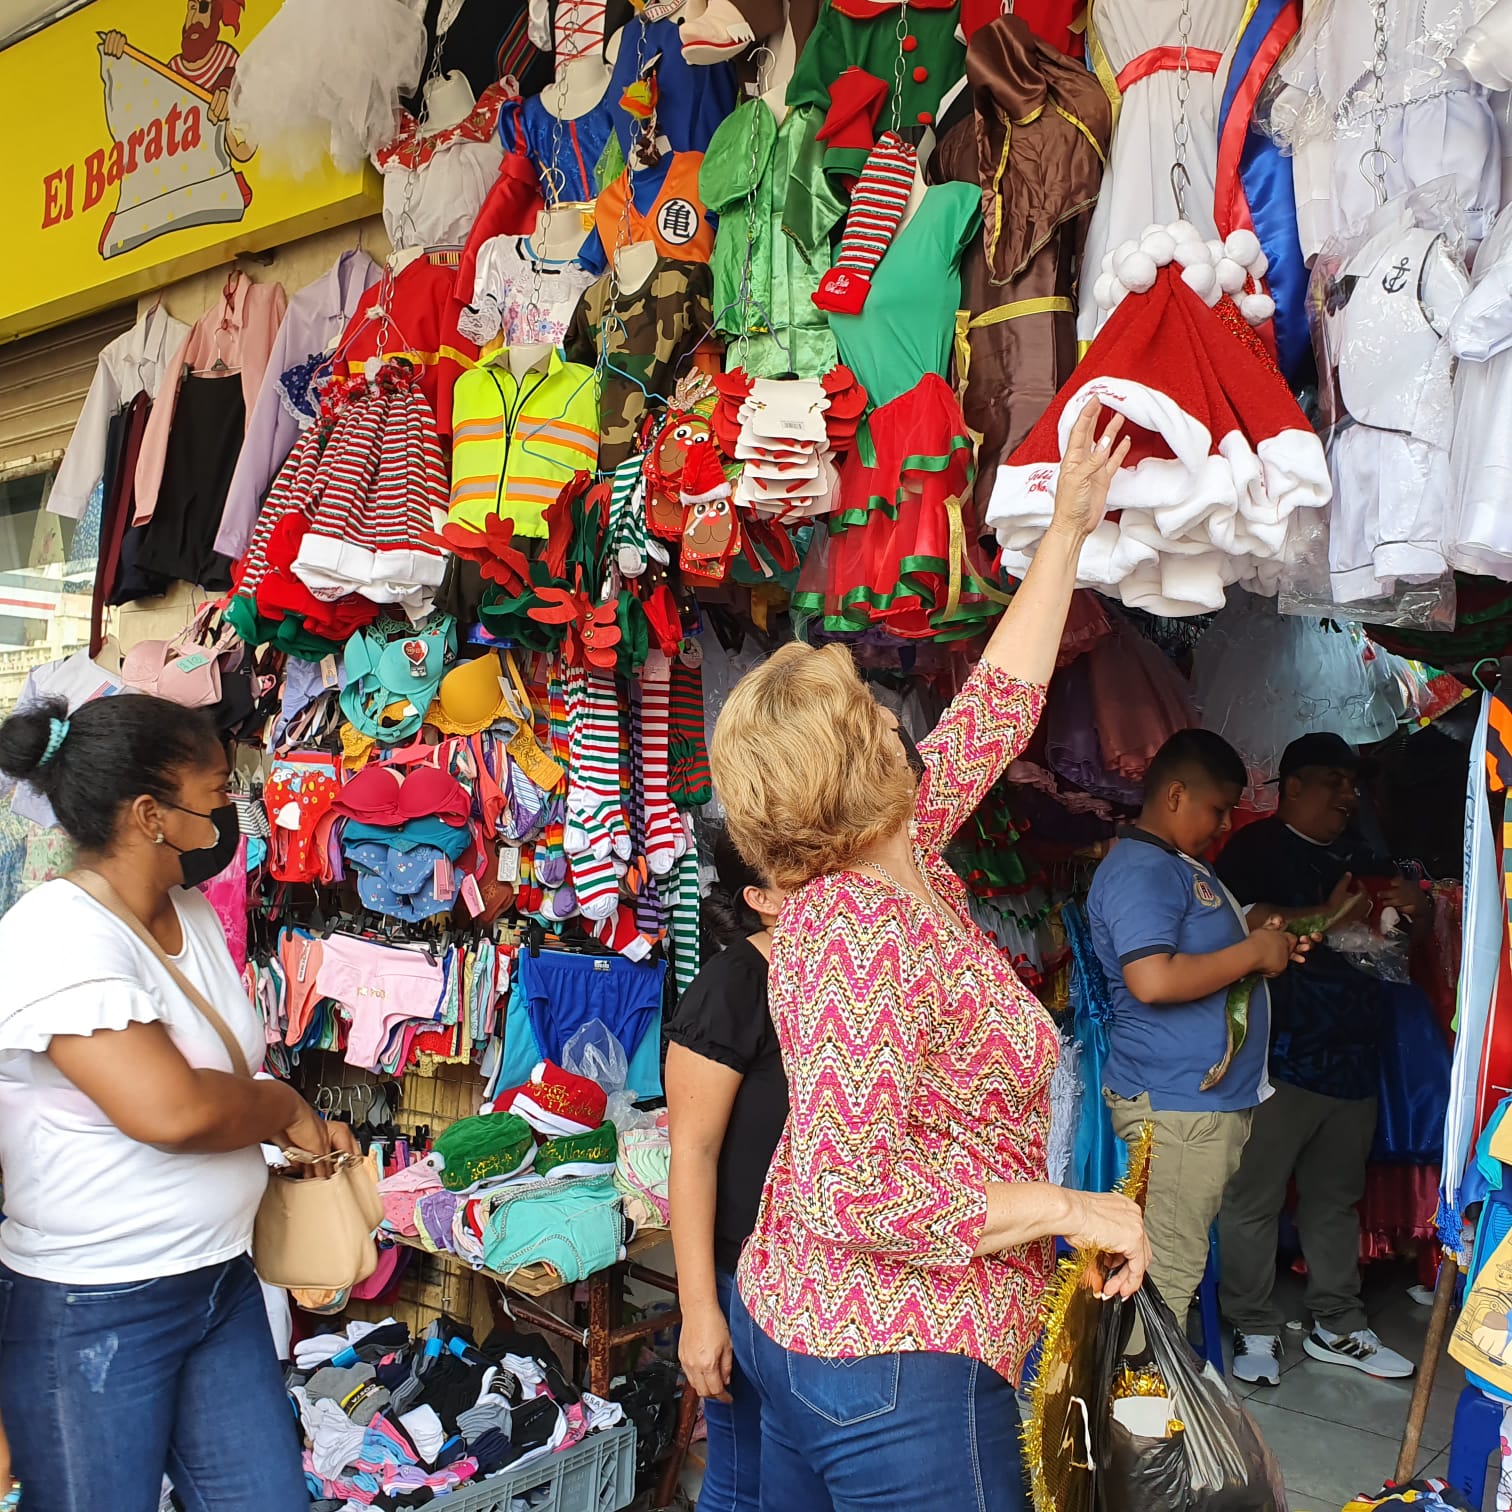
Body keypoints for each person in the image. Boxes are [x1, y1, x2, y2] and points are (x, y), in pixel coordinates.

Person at [708, 399, 1151, 1511]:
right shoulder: (857, 934)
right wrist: (1067, 1209)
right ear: (860, 758)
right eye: (867, 706)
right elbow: (860, 1191)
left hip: (812, 1324)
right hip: (888, 1366)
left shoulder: (896, 850)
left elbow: (999, 705)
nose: (888, 706)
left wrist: (1067, 534)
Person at [0, 693, 357, 1512]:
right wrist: (285, 1111)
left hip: (217, 1284)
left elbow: (217, 1069)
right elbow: (171, 1109)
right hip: (95, 1307)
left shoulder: (188, 914)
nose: (233, 815)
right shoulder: (58, 933)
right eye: (219, 795)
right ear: (149, 815)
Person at [1086, 729, 1310, 1328]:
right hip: (1178, 1108)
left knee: (1165, 1265)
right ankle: (1140, 1413)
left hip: (1191, 1103)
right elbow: (1152, 980)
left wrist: (1255, 928)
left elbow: (1193, 946)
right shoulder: (1142, 869)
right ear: (1176, 794)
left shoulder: (1177, 864)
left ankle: (1139, 1402)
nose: (1225, 822)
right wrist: (1254, 954)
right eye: (1218, 808)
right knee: (1165, 1277)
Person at [1216, 731, 1421, 1384]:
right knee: (1253, 1197)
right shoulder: (1252, 850)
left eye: (1352, 783)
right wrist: (1325, 916)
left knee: (1335, 1198)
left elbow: (1389, 939)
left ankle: (1338, 1321)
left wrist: (1407, 911)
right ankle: (1251, 1323)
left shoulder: (1363, 851)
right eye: (1333, 781)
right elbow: (1247, 925)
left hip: (1354, 1058)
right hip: (1281, 1057)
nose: (1347, 794)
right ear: (1293, 787)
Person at [665, 827, 788, 1512]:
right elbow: (693, 1154)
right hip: (743, 1279)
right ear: (760, 898)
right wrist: (699, 1312)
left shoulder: (834, 979)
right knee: (745, 1480)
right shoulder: (734, 983)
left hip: (808, 1275)